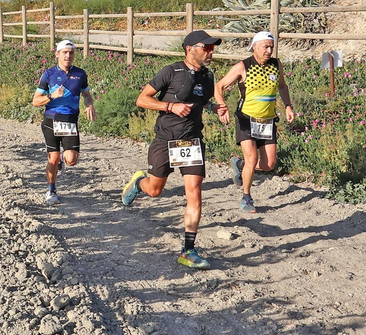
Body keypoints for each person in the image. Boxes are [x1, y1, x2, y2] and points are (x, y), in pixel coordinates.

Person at [120, 30, 228, 269]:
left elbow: (202, 102)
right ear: (190, 49)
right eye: (206, 47)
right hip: (166, 140)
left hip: (192, 141)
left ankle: (188, 250)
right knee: (155, 190)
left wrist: (214, 108)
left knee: (194, 191)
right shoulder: (171, 71)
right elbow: (142, 99)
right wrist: (170, 106)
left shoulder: (208, 76)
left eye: (212, 48)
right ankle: (139, 183)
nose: (211, 52)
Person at [214, 30, 296, 213]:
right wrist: (222, 106)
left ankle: (240, 165)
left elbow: (282, 86)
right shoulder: (243, 66)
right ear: (254, 47)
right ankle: (246, 197)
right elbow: (218, 86)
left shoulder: (276, 65)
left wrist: (288, 105)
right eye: (265, 47)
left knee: (269, 165)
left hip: (267, 121)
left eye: (271, 47)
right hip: (245, 119)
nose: (269, 51)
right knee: (253, 157)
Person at [33, 40, 93, 205]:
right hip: (51, 120)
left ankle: (61, 161)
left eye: (71, 52)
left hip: (69, 121)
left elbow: (87, 94)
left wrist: (89, 104)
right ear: (57, 54)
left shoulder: (80, 74)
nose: (68, 55)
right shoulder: (49, 74)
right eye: (64, 52)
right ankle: (51, 190)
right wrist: (52, 96)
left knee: (71, 160)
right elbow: (35, 101)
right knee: (53, 158)